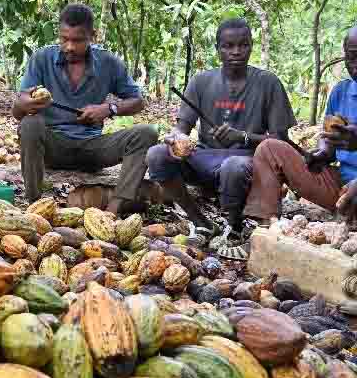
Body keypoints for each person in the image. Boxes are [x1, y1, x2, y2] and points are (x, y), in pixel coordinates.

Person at [146, 18, 296, 254]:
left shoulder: (268, 83)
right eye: (228, 46)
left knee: (233, 166)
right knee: (156, 155)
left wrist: (243, 137)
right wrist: (174, 139)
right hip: (205, 158)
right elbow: (181, 127)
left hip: (248, 161)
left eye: (243, 45)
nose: (236, 52)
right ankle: (201, 223)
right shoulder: (201, 81)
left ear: (251, 46)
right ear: (218, 49)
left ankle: (234, 226)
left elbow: (280, 142)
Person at [13, 3, 158, 215]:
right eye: (64, 39)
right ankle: (35, 205)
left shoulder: (108, 62)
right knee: (30, 124)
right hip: (53, 147)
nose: (70, 46)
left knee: (147, 133)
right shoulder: (41, 59)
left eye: (78, 40)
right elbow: (18, 112)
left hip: (93, 148)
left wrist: (109, 109)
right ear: (58, 35)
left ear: (93, 35)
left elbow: (138, 101)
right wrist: (23, 104)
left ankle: (113, 209)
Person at [244, 26, 357, 225]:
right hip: (341, 187)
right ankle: (267, 228)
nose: (355, 65)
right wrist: (321, 154)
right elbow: (329, 142)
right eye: (351, 57)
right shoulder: (341, 91)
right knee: (270, 149)